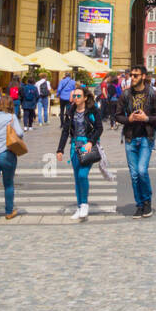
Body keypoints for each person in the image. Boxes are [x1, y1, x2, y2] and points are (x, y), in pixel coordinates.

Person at [114, 65, 156, 217]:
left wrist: (146, 118)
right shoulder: (125, 94)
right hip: (130, 137)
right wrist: (128, 119)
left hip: (146, 137)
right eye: (131, 75)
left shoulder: (152, 94)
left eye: (135, 75)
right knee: (134, 174)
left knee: (141, 171)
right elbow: (117, 115)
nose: (132, 78)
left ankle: (147, 202)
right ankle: (139, 205)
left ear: (143, 76)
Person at [56, 88, 102, 220]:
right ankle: (79, 206)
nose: (75, 98)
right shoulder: (70, 112)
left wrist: (91, 142)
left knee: (83, 175)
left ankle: (85, 204)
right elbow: (65, 131)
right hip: (74, 148)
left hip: (87, 147)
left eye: (78, 96)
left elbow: (99, 128)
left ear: (85, 98)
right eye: (74, 96)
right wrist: (60, 149)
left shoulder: (93, 111)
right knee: (77, 178)